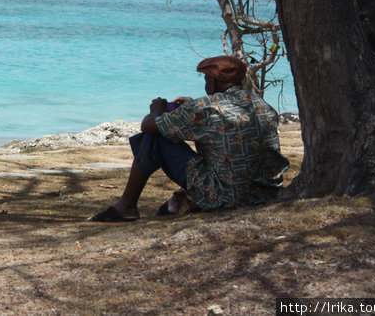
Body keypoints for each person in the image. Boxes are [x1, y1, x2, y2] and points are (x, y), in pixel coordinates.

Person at [89, 55, 289, 222]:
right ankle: (174, 202)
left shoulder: (204, 108)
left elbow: (148, 125)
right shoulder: (262, 105)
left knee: (154, 137)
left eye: (206, 79)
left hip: (227, 197)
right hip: (266, 192)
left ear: (213, 81)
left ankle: (126, 206)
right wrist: (192, 106)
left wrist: (157, 111)